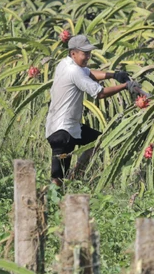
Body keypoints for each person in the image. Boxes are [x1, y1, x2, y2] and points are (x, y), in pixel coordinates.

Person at [45, 34, 129, 185]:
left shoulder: (65, 63)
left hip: (69, 126)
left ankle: (76, 176)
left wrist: (114, 75)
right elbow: (100, 93)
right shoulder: (73, 71)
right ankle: (49, 198)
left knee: (97, 141)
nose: (88, 57)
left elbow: (89, 73)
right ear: (73, 53)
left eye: (89, 53)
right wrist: (125, 86)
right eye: (85, 53)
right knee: (57, 179)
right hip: (61, 131)